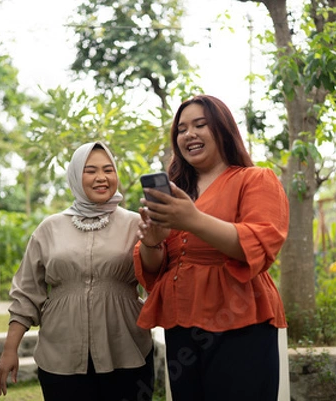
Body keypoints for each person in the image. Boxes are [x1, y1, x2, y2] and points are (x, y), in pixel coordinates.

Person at [134, 94, 289, 401]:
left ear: (223, 129)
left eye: (200, 125)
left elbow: (258, 245)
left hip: (239, 318)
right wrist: (151, 242)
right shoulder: (177, 193)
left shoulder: (255, 179)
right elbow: (154, 271)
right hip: (181, 321)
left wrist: (192, 218)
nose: (188, 134)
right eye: (181, 129)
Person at [0, 141, 154, 401]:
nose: (101, 177)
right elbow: (26, 293)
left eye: (108, 169)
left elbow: (155, 274)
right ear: (76, 176)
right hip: (61, 356)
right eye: (90, 170)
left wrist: (154, 239)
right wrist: (10, 350)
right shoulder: (50, 228)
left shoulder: (137, 223)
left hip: (125, 349)